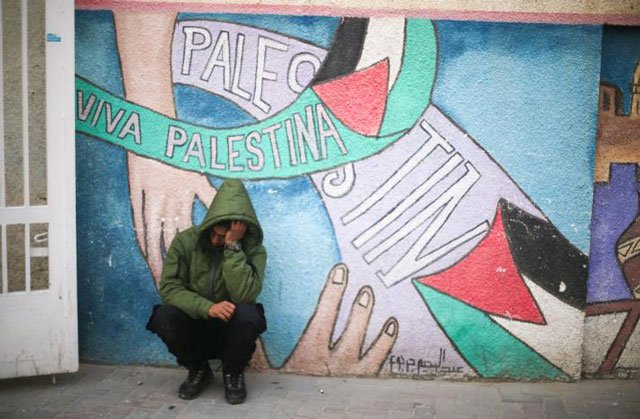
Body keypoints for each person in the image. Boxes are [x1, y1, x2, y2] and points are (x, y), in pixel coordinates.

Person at [146, 179, 267, 404]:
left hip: (229, 331)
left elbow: (245, 296)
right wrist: (207, 308)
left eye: (223, 237)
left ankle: (233, 373)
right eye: (214, 231)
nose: (215, 239)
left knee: (250, 314)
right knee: (164, 316)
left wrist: (232, 248)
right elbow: (170, 288)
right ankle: (198, 369)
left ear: (240, 231)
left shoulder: (254, 251)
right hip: (194, 325)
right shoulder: (186, 242)